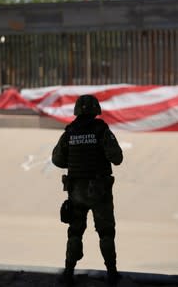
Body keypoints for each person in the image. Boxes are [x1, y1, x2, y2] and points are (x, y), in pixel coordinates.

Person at [52, 94, 123, 286]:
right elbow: (117, 157)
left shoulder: (70, 131)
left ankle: (68, 273)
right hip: (99, 191)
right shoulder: (101, 130)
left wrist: (76, 162)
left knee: (75, 232)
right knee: (106, 233)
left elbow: (57, 159)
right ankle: (112, 274)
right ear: (95, 110)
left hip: (76, 191)